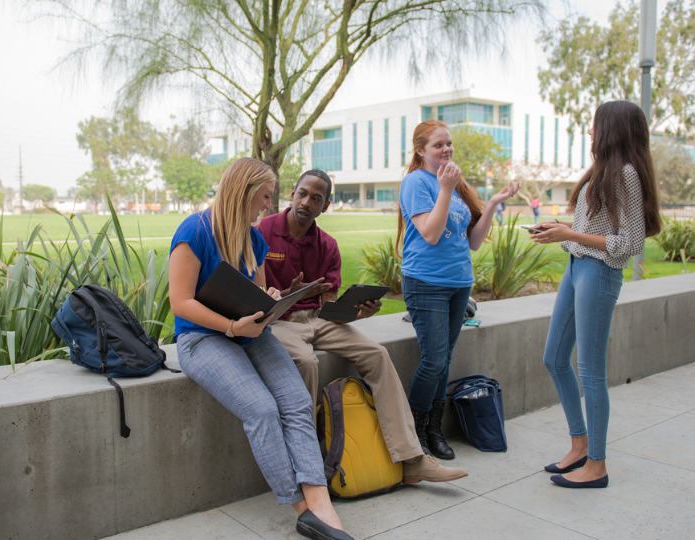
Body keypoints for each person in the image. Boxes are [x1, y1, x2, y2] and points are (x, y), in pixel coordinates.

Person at [169, 158, 354, 540]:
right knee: (263, 410)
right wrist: (232, 326)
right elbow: (181, 303)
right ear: (245, 191)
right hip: (201, 338)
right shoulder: (194, 230)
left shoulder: (254, 239)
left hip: (250, 333)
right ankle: (303, 509)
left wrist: (269, 299)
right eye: (265, 197)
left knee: (298, 402)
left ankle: (321, 501)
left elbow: (258, 293)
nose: (269, 206)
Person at [257, 169, 468, 484]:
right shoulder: (262, 231)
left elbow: (331, 311)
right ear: (291, 193)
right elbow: (254, 293)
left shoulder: (327, 245)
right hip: (279, 320)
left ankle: (411, 458)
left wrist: (358, 313)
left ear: (326, 206)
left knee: (377, 354)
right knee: (306, 361)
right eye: (302, 193)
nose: (306, 202)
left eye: (316, 198)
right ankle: (309, 463)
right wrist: (287, 294)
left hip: (318, 318)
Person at [530, 101, 661, 489]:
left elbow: (629, 243)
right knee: (554, 358)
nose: (590, 133)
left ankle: (597, 466)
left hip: (599, 273)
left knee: (590, 371)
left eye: (595, 126)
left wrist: (569, 235)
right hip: (577, 268)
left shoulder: (627, 175)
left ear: (612, 130)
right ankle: (580, 446)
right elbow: (600, 225)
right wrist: (564, 227)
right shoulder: (605, 171)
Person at [396, 120, 519, 460]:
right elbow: (431, 234)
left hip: (459, 283)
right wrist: (446, 189)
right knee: (433, 359)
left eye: (449, 143)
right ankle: (415, 431)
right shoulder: (416, 182)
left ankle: (435, 429)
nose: (446, 149)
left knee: (444, 358)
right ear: (421, 150)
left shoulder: (453, 180)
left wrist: (493, 203)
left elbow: (474, 242)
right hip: (426, 282)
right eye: (438, 145)